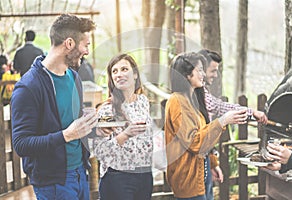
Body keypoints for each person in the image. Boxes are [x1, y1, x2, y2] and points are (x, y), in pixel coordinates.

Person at [11, 14, 98, 200]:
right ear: (69, 43)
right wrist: (67, 135)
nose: (87, 51)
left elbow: (71, 123)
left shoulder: (74, 77)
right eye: (86, 45)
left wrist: (95, 128)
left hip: (80, 173)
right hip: (53, 182)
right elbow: (21, 144)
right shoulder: (28, 87)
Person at [165, 52, 249, 200]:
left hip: (202, 175)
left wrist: (212, 163)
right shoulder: (177, 101)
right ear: (186, 75)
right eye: (199, 70)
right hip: (187, 181)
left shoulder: (193, 99)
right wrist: (222, 121)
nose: (203, 74)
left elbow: (203, 135)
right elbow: (194, 142)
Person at [197, 49, 268, 200]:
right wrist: (251, 112)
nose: (216, 75)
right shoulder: (192, 96)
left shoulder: (202, 92)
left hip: (205, 160)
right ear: (201, 70)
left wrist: (252, 112)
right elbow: (220, 109)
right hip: (193, 168)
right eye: (213, 71)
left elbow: (220, 106)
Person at [93, 53, 153, 200]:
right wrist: (125, 135)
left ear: (135, 75)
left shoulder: (143, 102)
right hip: (118, 178)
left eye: (124, 69)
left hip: (145, 175)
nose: (119, 74)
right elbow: (100, 152)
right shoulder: (107, 110)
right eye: (114, 71)